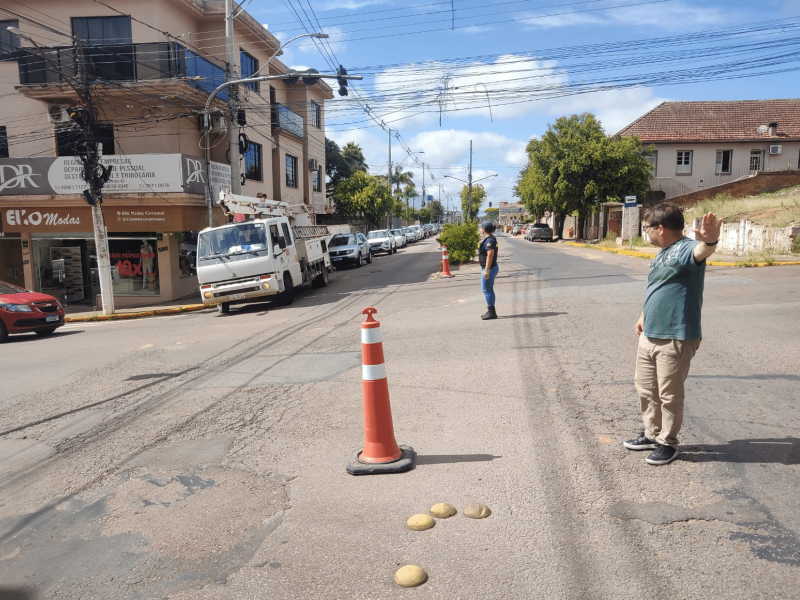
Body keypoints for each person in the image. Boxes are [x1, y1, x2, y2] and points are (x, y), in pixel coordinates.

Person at [624, 202, 723, 465]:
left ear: (660, 228)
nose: (646, 232)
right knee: (646, 389)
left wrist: (710, 242)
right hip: (650, 334)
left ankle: (668, 443)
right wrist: (643, 315)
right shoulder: (662, 253)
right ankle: (651, 433)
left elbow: (701, 252)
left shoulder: (685, 248)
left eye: (647, 227)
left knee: (669, 395)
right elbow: (658, 286)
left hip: (674, 335)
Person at [478, 221, 499, 320]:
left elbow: (490, 255)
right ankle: (491, 310)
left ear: (484, 229)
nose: (481, 229)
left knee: (486, 290)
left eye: (482, 228)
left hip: (489, 268)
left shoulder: (489, 240)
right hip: (491, 267)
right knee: (489, 289)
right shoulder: (490, 239)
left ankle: (491, 312)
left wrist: (486, 270)